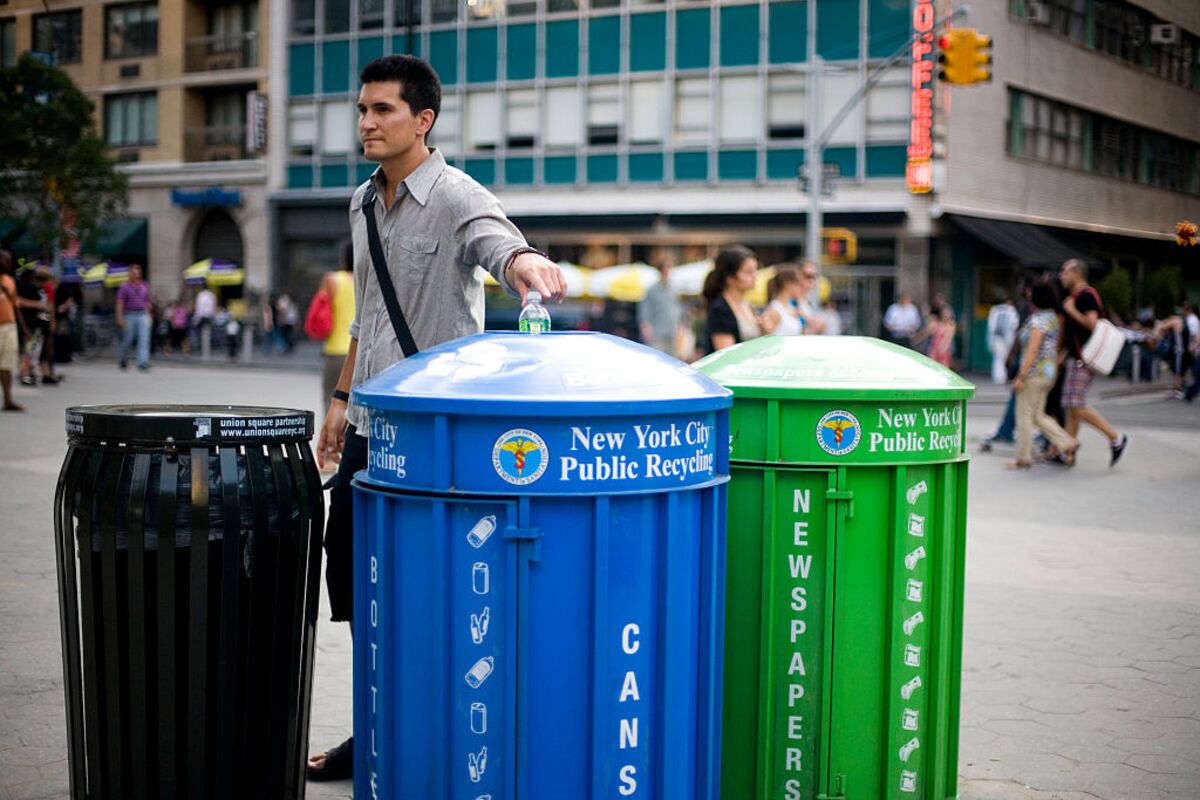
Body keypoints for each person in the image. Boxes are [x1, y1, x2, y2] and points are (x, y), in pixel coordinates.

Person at [307, 54, 565, 781]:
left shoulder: (454, 194)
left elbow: (497, 239)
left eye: (382, 110)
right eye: (361, 109)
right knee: (358, 586)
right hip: (368, 429)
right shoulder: (361, 202)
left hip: (434, 439)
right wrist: (339, 399)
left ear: (422, 119)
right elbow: (366, 317)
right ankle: (376, 726)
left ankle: (449, 731)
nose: (366, 122)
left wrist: (522, 266)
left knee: (438, 593)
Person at [1059, 259, 1128, 466]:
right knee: (1071, 408)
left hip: (1083, 360)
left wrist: (1070, 310)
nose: (1062, 275)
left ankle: (1115, 437)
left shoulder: (1086, 296)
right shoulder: (1077, 296)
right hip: (1077, 358)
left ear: (1076, 273)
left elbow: (1091, 323)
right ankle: (1068, 451)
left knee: (1076, 404)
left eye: (1065, 271)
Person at [1007, 280, 1078, 470]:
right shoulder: (1052, 318)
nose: (1028, 297)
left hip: (1034, 374)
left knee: (1024, 415)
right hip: (1048, 373)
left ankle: (1023, 458)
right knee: (1038, 415)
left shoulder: (1038, 320)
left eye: (1030, 294)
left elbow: (1032, 351)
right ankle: (1066, 442)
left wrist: (1021, 376)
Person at [702, 245, 762, 353]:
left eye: (755, 270)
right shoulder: (720, 309)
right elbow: (726, 354)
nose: (755, 276)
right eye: (748, 272)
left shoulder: (747, 304)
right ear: (730, 278)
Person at [319, 241, 357, 403]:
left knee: (331, 399)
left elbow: (319, 309)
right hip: (359, 351)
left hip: (336, 350)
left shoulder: (332, 280)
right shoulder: (368, 282)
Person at [638, 249, 684, 356]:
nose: (669, 270)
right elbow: (645, 311)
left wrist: (680, 328)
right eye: (667, 267)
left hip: (672, 333)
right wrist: (646, 328)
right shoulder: (652, 290)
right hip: (657, 334)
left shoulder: (673, 289)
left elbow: (677, 309)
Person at [115, 264, 152, 371]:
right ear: (130, 274)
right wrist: (119, 317)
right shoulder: (124, 287)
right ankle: (123, 359)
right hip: (128, 315)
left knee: (144, 339)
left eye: (138, 272)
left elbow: (148, 301)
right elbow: (120, 303)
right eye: (134, 272)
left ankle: (143, 362)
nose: (136, 274)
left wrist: (149, 315)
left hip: (142, 314)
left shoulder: (145, 285)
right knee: (127, 339)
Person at [0, 251, 24, 410]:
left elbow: (16, 306)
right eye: (5, 261)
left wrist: (24, 328)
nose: (8, 264)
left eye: (9, 261)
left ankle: (8, 400)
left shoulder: (9, 281)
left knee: (7, 365)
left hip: (9, 326)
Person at [987, 291, 1020, 384]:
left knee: (998, 358)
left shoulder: (995, 310)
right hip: (1007, 338)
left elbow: (991, 326)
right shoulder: (1011, 310)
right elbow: (1015, 324)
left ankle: (999, 376)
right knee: (1004, 357)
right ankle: (1002, 376)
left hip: (997, 338)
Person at [760, 266, 803, 336]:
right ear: (788, 284)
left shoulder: (791, 307)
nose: (801, 287)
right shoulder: (774, 310)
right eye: (797, 283)